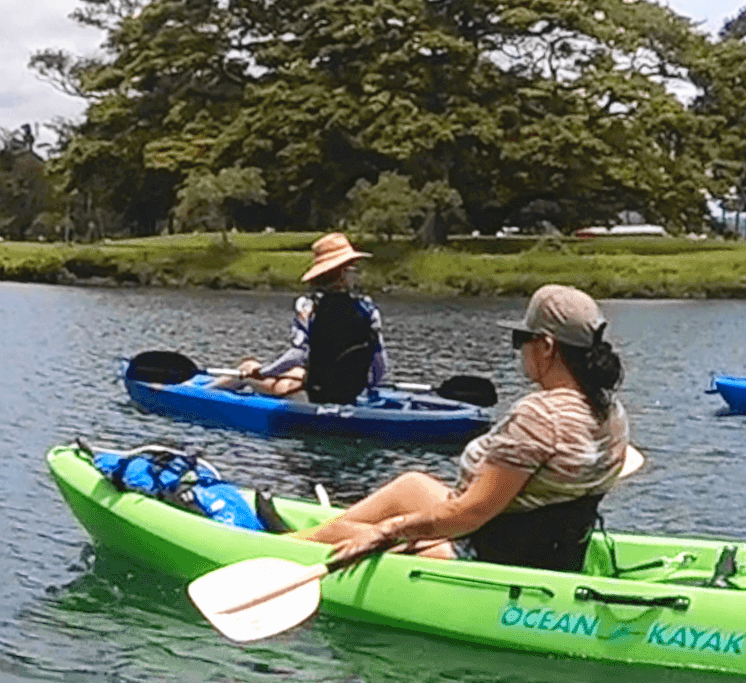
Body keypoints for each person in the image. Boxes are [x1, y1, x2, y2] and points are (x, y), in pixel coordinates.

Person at [292, 284, 629, 572]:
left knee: (347, 536)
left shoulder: (539, 417)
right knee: (410, 486)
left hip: (490, 555)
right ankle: (308, 533)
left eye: (520, 339)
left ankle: (286, 545)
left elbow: (470, 514)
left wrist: (387, 531)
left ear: (547, 346)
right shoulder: (612, 412)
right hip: (556, 551)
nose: (519, 350)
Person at [212, 232, 386, 403]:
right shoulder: (369, 309)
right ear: (342, 274)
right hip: (350, 394)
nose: (356, 274)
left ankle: (203, 394)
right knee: (295, 371)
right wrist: (370, 387)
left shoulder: (308, 307)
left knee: (248, 367)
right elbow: (380, 363)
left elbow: (298, 354)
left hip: (311, 396)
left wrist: (264, 373)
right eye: (352, 269)